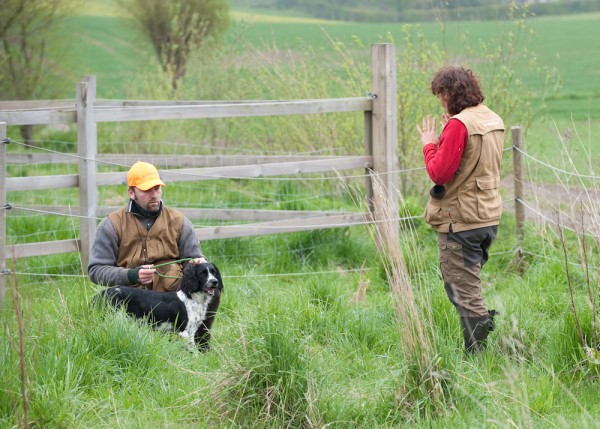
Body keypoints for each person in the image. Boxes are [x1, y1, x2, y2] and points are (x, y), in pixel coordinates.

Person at [416, 66, 504, 353]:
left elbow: (439, 173)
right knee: (469, 286)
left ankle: (478, 358)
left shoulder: (460, 125)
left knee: (462, 291)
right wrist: (447, 138)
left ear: (450, 93)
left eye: (441, 95)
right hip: (487, 217)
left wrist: (430, 144)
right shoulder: (492, 118)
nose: (440, 101)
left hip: (461, 220)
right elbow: (469, 165)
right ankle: (482, 339)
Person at [88, 161, 206, 292]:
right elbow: (96, 270)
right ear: (131, 193)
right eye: (147, 190)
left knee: (210, 288)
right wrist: (131, 275)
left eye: (157, 188)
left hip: (173, 300)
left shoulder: (180, 222)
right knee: (108, 297)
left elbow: (193, 260)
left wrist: (198, 264)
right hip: (132, 300)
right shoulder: (111, 225)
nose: (154, 195)